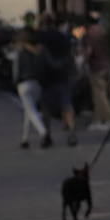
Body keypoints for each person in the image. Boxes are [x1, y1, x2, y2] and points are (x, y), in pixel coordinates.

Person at [33, 13, 77, 147]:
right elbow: (70, 55)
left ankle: (47, 136)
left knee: (46, 108)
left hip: (47, 78)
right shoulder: (63, 37)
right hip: (63, 76)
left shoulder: (41, 37)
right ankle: (71, 134)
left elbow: (37, 53)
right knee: (66, 105)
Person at [13, 29, 50, 148]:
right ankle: (25, 139)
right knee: (28, 110)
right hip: (36, 83)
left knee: (31, 110)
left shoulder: (20, 53)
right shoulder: (37, 51)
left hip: (23, 84)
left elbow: (16, 70)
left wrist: (15, 82)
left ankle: (43, 132)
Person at [83, 14, 110, 131]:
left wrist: (84, 61)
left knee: (99, 95)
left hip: (97, 67)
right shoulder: (104, 32)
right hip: (109, 66)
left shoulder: (89, 34)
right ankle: (98, 120)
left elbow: (89, 51)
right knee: (106, 94)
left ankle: (108, 119)